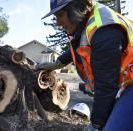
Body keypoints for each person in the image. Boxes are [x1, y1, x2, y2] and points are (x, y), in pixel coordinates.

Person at [39, 0, 133, 130]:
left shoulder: (102, 29)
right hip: (122, 85)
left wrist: (95, 125)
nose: (58, 23)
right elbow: (77, 47)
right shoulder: (85, 24)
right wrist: (58, 62)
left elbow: (105, 85)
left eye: (60, 15)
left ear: (75, 8)